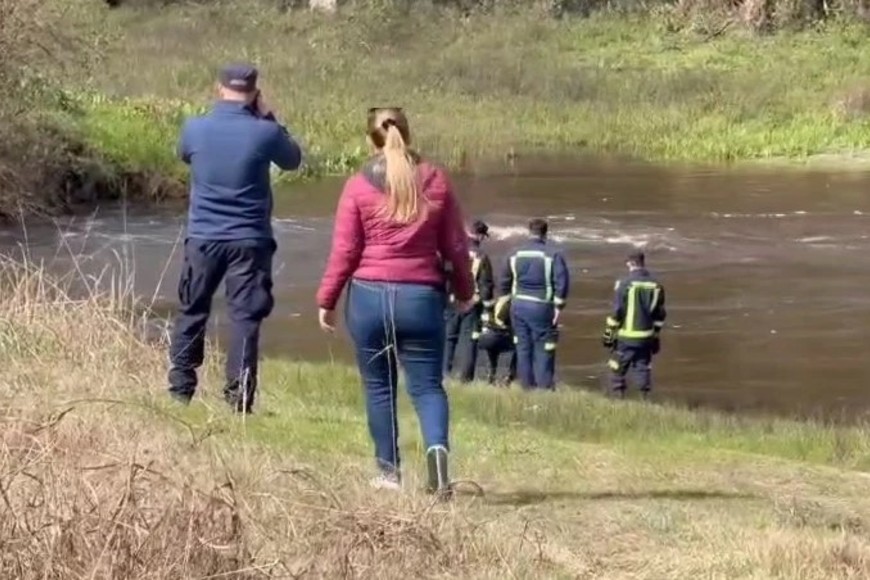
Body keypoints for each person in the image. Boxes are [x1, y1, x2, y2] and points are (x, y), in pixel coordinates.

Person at [315, 107, 474, 496]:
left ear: (371, 141)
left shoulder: (357, 186)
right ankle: (437, 459)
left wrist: (327, 298)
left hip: (369, 298)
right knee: (428, 387)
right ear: (408, 133)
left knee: (379, 388)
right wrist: (466, 291)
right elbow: (455, 244)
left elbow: (346, 251)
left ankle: (388, 473)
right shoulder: (435, 180)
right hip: (421, 297)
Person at [167, 63, 303, 414]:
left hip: (203, 237)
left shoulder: (194, 128)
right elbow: (293, 160)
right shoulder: (265, 132)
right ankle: (238, 399)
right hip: (249, 240)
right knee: (244, 318)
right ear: (255, 92)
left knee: (192, 311)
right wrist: (270, 117)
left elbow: (183, 154)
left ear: (219, 88)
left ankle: (180, 391)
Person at [497, 218, 569, 390]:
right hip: (542, 306)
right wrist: (559, 307)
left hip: (518, 306)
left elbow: (504, 282)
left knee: (522, 347)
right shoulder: (553, 255)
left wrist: (505, 304)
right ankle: (544, 387)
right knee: (544, 347)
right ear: (545, 233)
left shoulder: (513, 254)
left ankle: (526, 386)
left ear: (529, 232)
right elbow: (562, 282)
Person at [601, 250, 667, 399]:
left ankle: (618, 399)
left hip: (626, 337)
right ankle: (643, 399)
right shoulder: (656, 286)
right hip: (647, 337)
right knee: (643, 367)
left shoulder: (624, 284)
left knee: (616, 367)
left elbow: (616, 313)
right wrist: (656, 337)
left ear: (629, 263)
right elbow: (660, 315)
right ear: (643, 263)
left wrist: (608, 336)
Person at [443, 219, 494, 383]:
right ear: (479, 236)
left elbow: (443, 275)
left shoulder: (453, 250)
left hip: (452, 301)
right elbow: (486, 285)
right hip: (472, 303)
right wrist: (487, 311)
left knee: (448, 339)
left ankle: (443, 374)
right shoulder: (482, 256)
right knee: (469, 342)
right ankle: (465, 379)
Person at [477, 295, 517, 386]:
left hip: (485, 335)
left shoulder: (487, 300)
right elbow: (501, 321)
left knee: (489, 353)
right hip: (500, 335)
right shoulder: (507, 302)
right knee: (508, 348)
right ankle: (502, 379)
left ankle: (488, 377)